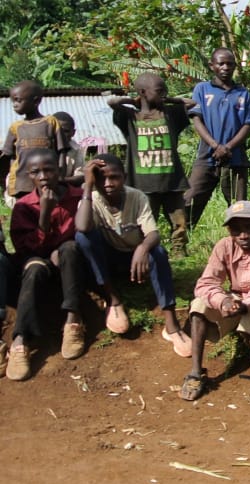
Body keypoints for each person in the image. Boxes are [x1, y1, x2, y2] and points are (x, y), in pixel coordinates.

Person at [74, 154, 191, 357]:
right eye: (101, 178)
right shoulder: (92, 200)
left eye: (114, 177)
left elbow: (153, 233)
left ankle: (171, 325)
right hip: (108, 258)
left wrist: (142, 248)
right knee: (83, 237)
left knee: (159, 252)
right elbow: (83, 227)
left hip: (134, 260)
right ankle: (113, 300)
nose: (108, 183)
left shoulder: (136, 196)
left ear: (124, 177)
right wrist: (87, 185)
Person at [180, 201, 250, 405]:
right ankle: (196, 372)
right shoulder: (224, 246)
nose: (243, 235)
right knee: (198, 306)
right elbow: (206, 283)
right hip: (237, 296)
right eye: (236, 229)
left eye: (249, 227)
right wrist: (223, 300)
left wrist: (243, 305)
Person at [7, 149, 85, 380]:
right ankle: (20, 340)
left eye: (48, 169)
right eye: (36, 172)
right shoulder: (24, 206)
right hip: (38, 259)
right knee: (33, 269)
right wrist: (45, 215)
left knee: (69, 248)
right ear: (28, 176)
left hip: (71, 261)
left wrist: (58, 248)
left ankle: (73, 319)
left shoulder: (78, 197)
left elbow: (84, 232)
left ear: (59, 171)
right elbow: (25, 249)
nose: (43, 176)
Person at [108, 72, 194, 253]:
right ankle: (148, 249)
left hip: (172, 181)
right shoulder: (131, 118)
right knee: (146, 220)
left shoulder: (169, 114)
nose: (163, 93)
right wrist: (134, 100)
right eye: (159, 90)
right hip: (142, 183)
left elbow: (191, 103)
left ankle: (179, 249)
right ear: (142, 91)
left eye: (165, 90)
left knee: (179, 221)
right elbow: (112, 103)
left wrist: (167, 98)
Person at [186, 47, 250, 226]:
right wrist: (215, 145)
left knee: (239, 206)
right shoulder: (202, 89)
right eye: (221, 63)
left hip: (236, 158)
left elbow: (248, 124)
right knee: (190, 199)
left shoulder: (243, 93)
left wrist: (228, 147)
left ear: (234, 66)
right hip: (207, 156)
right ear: (212, 65)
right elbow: (197, 120)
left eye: (230, 64)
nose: (226, 67)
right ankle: (181, 240)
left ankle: (241, 243)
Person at [2, 80, 68, 204]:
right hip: (22, 183)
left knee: (49, 210)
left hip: (46, 180)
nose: (14, 105)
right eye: (13, 101)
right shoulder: (15, 127)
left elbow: (62, 151)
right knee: (25, 213)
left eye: (18, 100)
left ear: (36, 101)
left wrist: (60, 176)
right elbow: (9, 157)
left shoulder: (50, 122)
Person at [52, 112, 86, 185]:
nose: (60, 134)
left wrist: (58, 181)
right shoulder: (42, 147)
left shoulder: (76, 149)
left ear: (73, 133)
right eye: (57, 130)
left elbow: (80, 177)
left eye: (65, 131)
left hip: (66, 188)